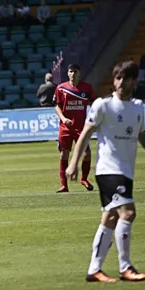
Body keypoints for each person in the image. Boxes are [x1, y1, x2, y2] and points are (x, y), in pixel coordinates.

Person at [66, 61, 145, 283]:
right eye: (118, 78)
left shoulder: (137, 108)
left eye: (126, 78)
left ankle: (94, 269)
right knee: (128, 213)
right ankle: (126, 267)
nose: (121, 83)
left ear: (134, 81)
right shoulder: (103, 106)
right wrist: (73, 163)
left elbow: (142, 135)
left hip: (125, 171)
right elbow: (85, 133)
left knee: (110, 217)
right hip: (108, 169)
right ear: (114, 81)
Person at [54, 63, 95, 193]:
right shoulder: (61, 88)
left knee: (87, 154)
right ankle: (63, 185)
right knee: (64, 154)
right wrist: (63, 118)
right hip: (65, 127)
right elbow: (57, 106)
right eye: (70, 71)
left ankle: (84, 179)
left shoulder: (87, 88)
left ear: (79, 73)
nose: (73, 74)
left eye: (75, 71)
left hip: (81, 128)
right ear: (68, 73)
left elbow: (94, 104)